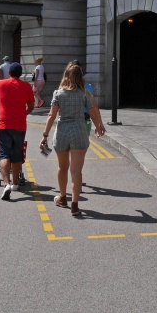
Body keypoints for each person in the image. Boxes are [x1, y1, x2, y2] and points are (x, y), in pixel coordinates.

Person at [41, 62, 106, 216]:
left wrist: (45, 135)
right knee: (76, 171)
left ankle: (63, 198)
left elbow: (51, 115)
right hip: (79, 131)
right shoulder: (84, 93)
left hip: (62, 131)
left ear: (67, 76)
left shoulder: (58, 93)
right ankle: (75, 205)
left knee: (62, 167)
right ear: (79, 78)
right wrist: (98, 126)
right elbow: (92, 112)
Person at [0, 62, 35, 201]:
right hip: (20, 125)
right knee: (17, 154)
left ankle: (7, 184)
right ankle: (15, 183)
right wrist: (24, 114)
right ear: (21, 74)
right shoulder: (26, 86)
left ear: (9, 73)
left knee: (4, 155)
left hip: (4, 124)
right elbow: (31, 105)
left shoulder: (0, 84)